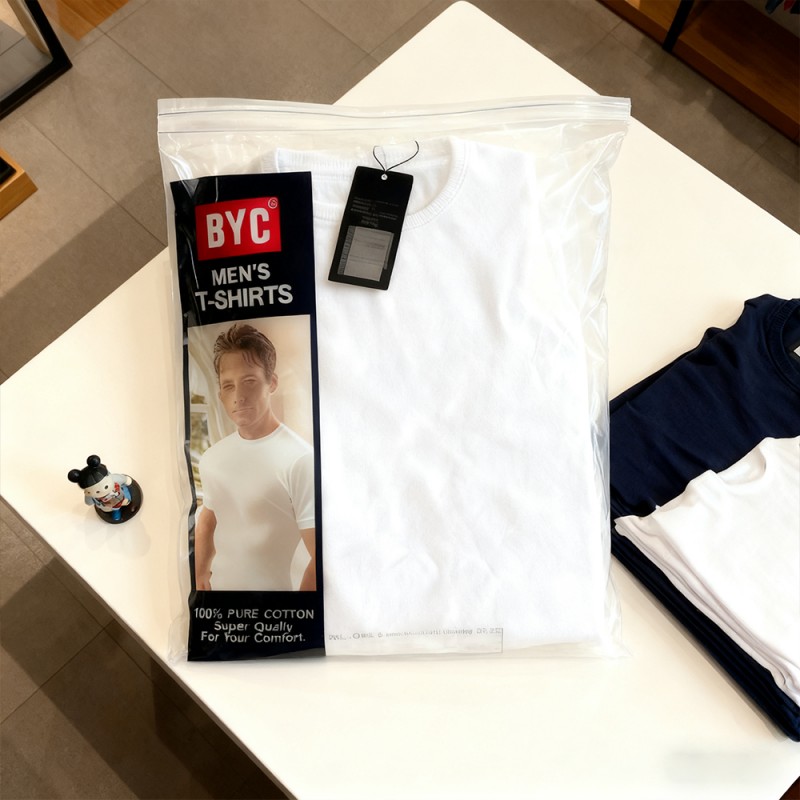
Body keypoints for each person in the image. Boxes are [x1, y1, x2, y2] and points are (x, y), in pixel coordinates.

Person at [194, 322, 316, 591]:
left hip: (276, 604)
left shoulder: (300, 460)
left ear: (272, 383)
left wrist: (298, 609)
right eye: (228, 386)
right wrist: (201, 577)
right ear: (220, 394)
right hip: (221, 598)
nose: (238, 396)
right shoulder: (212, 458)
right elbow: (208, 519)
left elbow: (320, 559)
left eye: (249, 381)